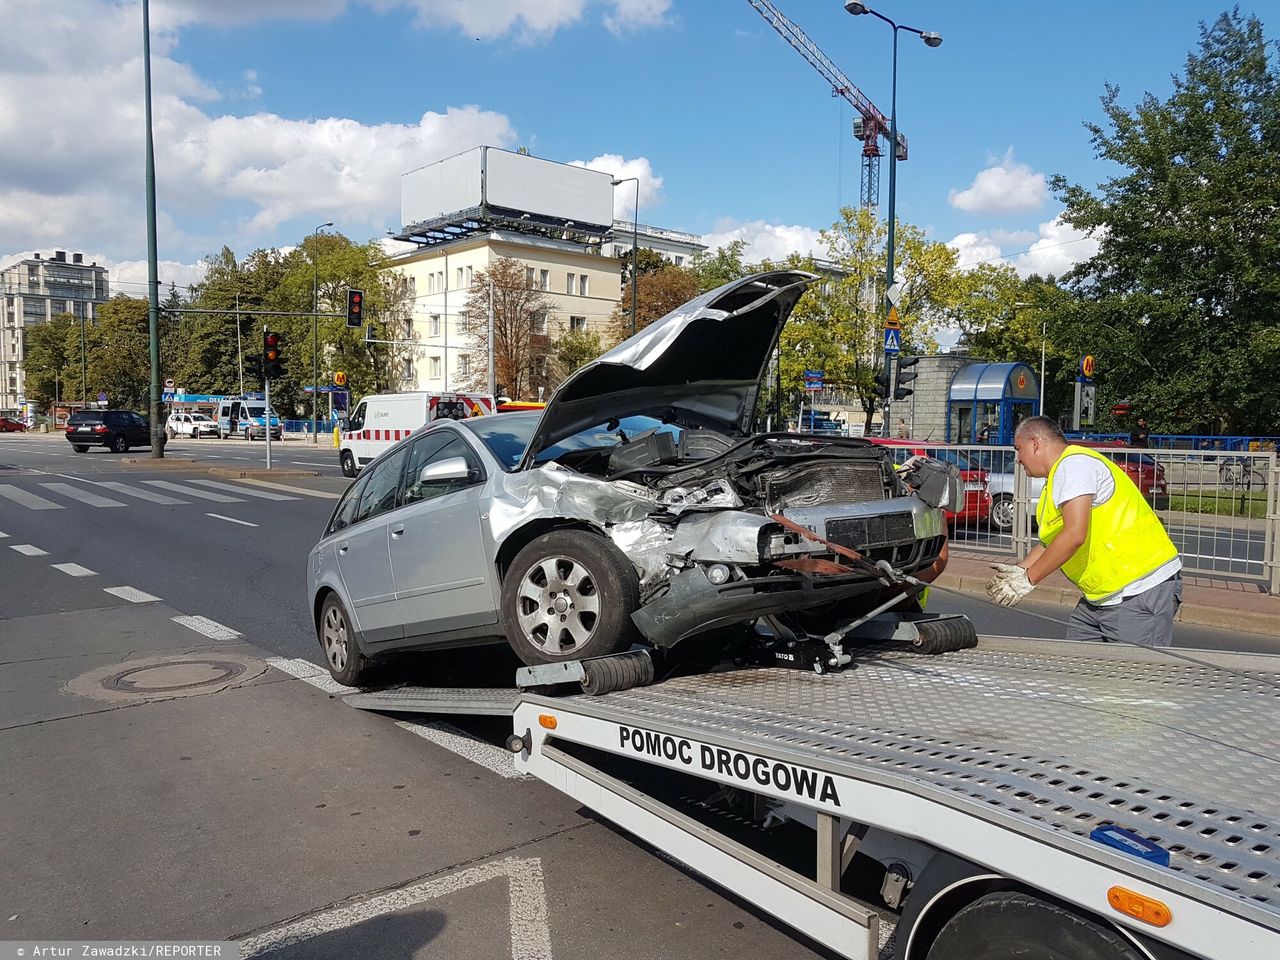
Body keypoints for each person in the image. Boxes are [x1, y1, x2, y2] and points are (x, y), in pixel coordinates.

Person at [986, 416, 1182, 646]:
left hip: (1139, 588)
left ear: (1035, 443)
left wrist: (1028, 579)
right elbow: (1052, 541)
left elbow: (1074, 535)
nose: (1018, 459)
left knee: (1135, 676)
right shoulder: (1060, 474)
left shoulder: (1074, 466)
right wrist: (1018, 572)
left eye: (1019, 449)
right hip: (1103, 596)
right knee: (1079, 666)